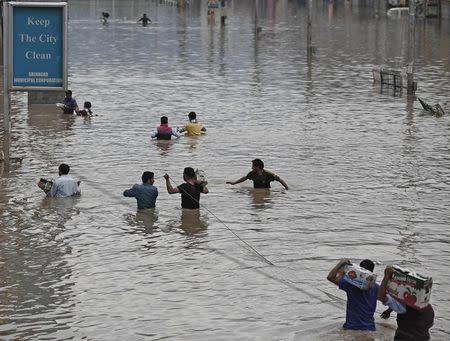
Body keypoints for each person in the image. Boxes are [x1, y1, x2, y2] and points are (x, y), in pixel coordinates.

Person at [378, 266, 434, 341]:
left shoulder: (405, 308)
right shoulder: (429, 309)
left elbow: (381, 296)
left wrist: (386, 276)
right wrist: (389, 310)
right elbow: (429, 324)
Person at [326, 258, 379, 331]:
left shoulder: (350, 285)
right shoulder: (376, 287)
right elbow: (391, 299)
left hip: (352, 327)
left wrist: (340, 264)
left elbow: (330, 277)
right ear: (372, 272)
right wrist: (388, 311)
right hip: (370, 327)